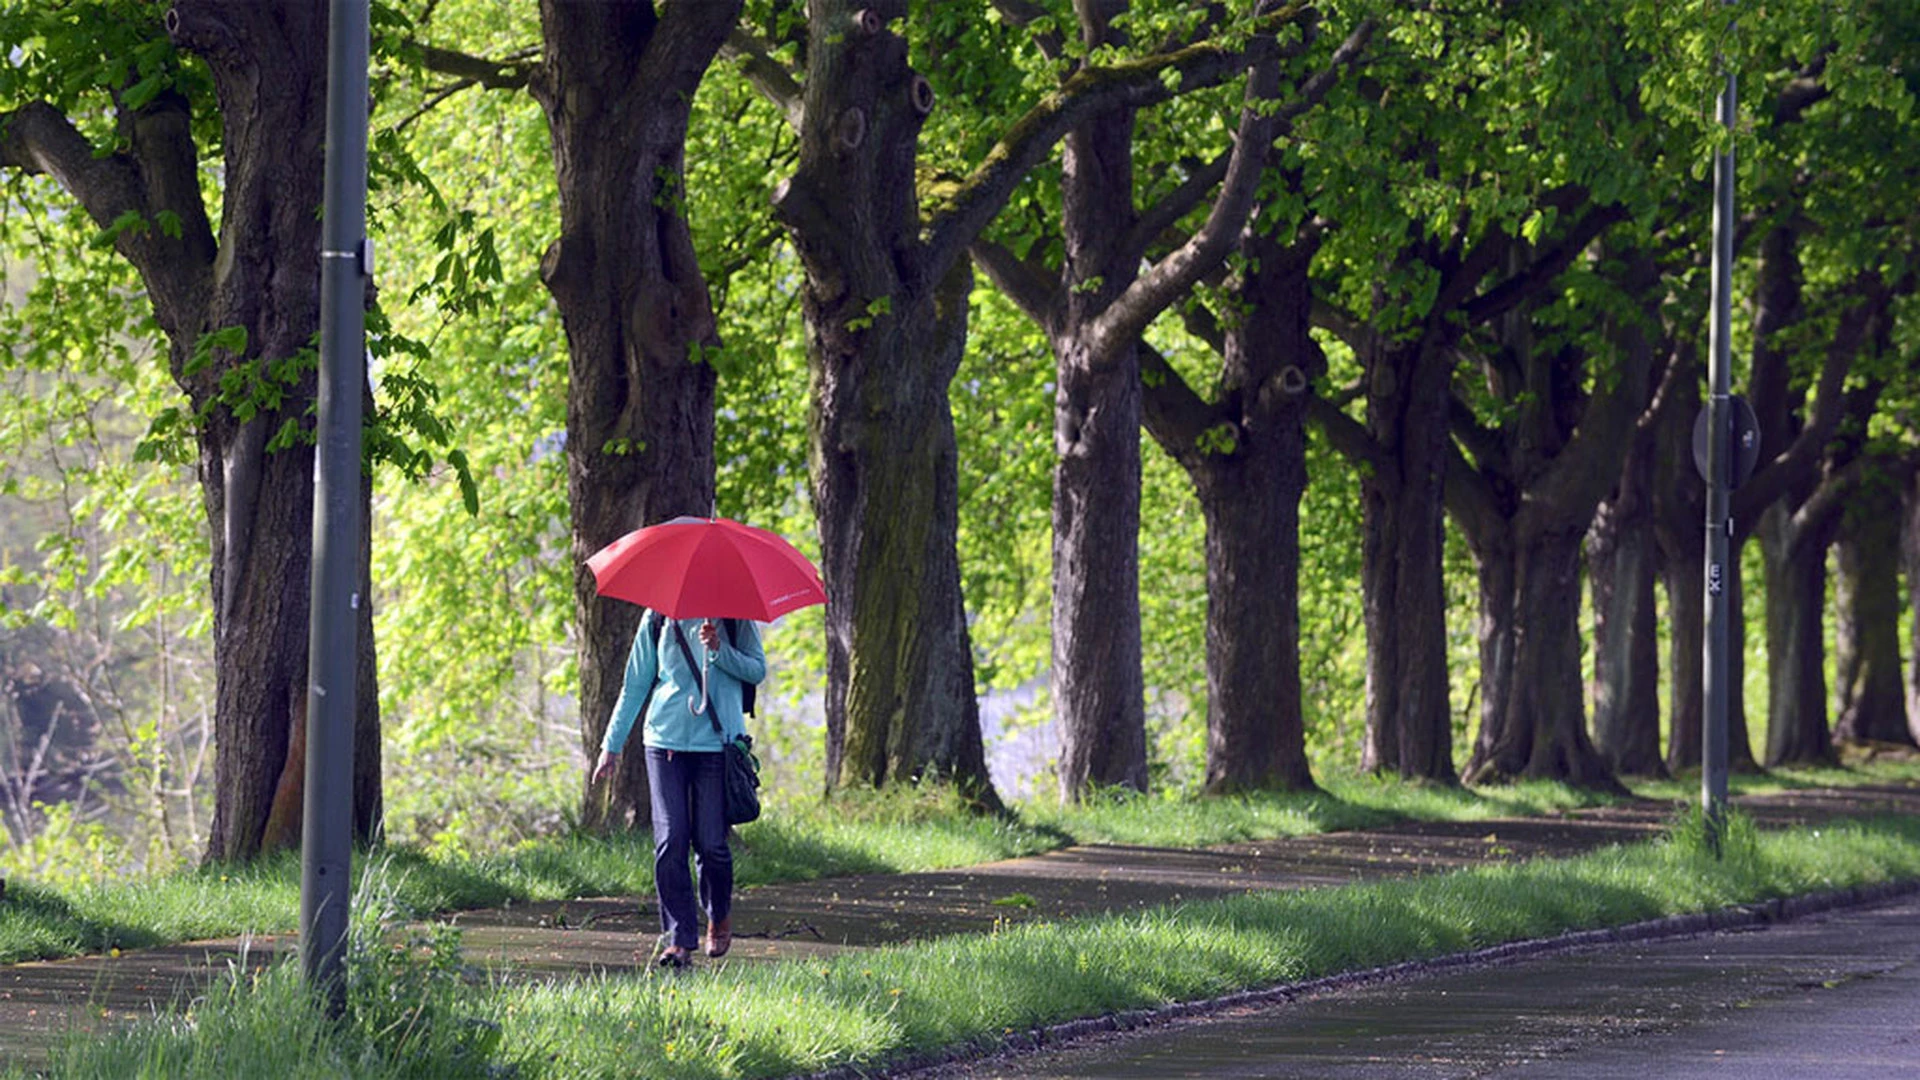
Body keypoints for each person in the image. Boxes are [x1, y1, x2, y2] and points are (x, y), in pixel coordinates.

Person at [593, 612, 765, 967]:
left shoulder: (735, 619)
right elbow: (635, 684)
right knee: (671, 841)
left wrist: (719, 650)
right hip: (663, 741)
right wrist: (611, 746)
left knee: (712, 844)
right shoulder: (657, 617)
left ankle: (718, 916)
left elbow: (757, 670)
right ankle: (679, 940)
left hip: (718, 745)